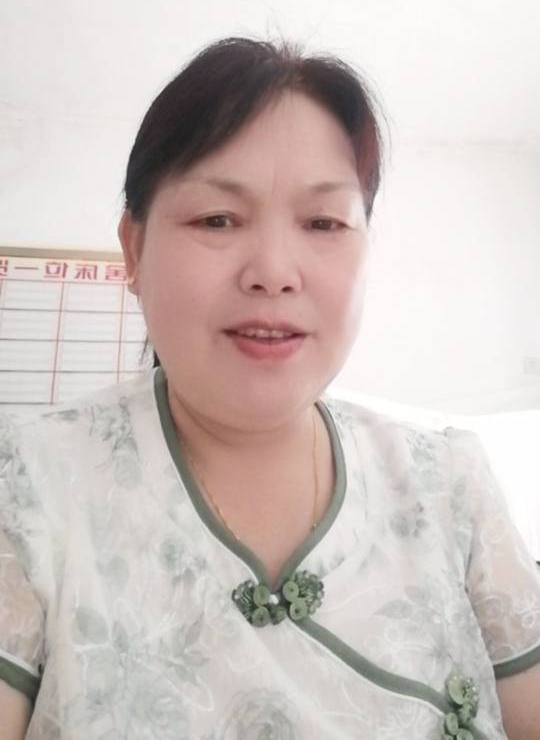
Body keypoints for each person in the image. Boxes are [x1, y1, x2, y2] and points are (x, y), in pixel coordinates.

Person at [1, 38, 539, 740]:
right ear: (134, 249)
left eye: (323, 223)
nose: (275, 272)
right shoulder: (29, 484)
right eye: (217, 219)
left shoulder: (452, 485)